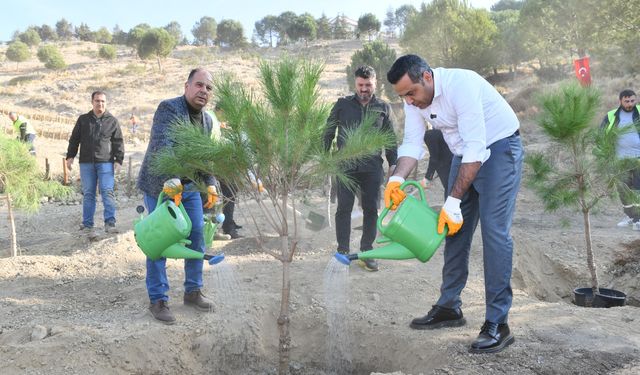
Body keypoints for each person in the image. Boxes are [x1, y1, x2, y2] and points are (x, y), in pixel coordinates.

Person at [385, 55, 523, 354]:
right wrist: (395, 181)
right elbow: (411, 144)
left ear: (427, 77)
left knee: (494, 233)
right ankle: (449, 307)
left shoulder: (462, 84)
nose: (408, 101)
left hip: (498, 148)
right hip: (464, 153)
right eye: (402, 96)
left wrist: (453, 200)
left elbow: (477, 146)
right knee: (453, 229)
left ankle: (499, 324)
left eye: (411, 93)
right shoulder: (412, 101)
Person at [137, 68, 219, 324]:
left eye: (208, 88)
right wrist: (171, 182)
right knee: (158, 240)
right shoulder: (169, 109)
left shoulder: (206, 121)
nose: (203, 91)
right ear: (186, 86)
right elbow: (164, 146)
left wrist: (211, 183)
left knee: (196, 233)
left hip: (190, 186)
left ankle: (193, 291)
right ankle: (158, 299)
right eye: (199, 85)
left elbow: (203, 156)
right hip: (161, 185)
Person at [324, 65, 398, 272]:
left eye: (368, 85)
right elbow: (328, 131)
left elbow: (391, 140)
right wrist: (324, 157)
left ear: (375, 83)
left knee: (371, 209)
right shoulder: (342, 104)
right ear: (355, 84)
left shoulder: (383, 108)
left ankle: (366, 251)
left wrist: (393, 164)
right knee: (344, 209)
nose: (364, 89)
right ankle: (343, 251)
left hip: (372, 167)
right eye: (360, 85)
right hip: (345, 166)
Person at [66, 91, 124, 235]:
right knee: (89, 193)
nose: (100, 103)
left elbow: (118, 141)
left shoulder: (112, 121)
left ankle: (110, 223)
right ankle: (87, 225)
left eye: (103, 101)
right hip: (86, 163)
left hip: (106, 163)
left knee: (107, 191)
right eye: (97, 101)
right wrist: (70, 156)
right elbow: (74, 139)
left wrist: (119, 160)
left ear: (106, 102)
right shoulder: (83, 120)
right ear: (92, 102)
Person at [600, 89, 640, 230]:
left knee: (637, 188)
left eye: (632, 101)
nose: (630, 104)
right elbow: (601, 134)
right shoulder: (611, 116)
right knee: (624, 189)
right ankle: (630, 216)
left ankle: (638, 219)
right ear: (620, 101)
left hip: (638, 159)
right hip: (619, 160)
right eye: (627, 101)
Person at [422, 128, 453, 197]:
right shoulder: (435, 132)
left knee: (449, 191)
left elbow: (434, 158)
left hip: (447, 164)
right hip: (450, 161)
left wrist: (427, 177)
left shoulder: (428, 136)